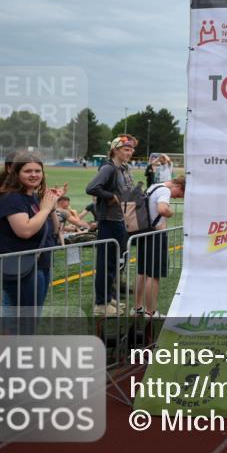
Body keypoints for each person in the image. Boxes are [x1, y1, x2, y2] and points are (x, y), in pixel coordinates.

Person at [0, 152, 62, 334]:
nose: (34, 174)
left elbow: (54, 229)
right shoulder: (12, 198)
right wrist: (45, 210)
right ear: (16, 174)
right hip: (21, 268)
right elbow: (25, 231)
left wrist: (51, 207)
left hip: (40, 263)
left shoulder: (34, 196)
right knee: (22, 320)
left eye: (38, 170)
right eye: (28, 170)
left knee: (31, 318)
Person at [86, 134, 137, 316]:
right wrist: (110, 196)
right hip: (108, 221)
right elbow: (91, 187)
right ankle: (101, 303)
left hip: (119, 220)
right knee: (105, 263)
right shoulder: (108, 168)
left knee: (115, 263)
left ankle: (109, 297)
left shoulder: (122, 168)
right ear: (115, 150)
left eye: (131, 149)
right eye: (126, 149)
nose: (129, 152)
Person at [133, 175, 185, 317]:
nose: (176, 198)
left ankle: (137, 308)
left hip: (143, 232)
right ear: (178, 187)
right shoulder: (165, 191)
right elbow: (162, 209)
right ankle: (151, 312)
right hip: (156, 235)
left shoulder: (154, 186)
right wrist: (170, 213)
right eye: (180, 195)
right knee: (154, 275)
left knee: (142, 272)